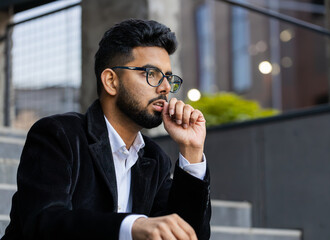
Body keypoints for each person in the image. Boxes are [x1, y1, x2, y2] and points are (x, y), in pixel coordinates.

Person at [2, 19, 210, 240]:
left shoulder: (154, 159)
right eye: (151, 73)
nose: (166, 87)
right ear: (111, 81)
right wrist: (132, 226)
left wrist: (191, 151)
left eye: (168, 77)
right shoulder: (58, 135)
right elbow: (44, 223)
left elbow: (185, 235)